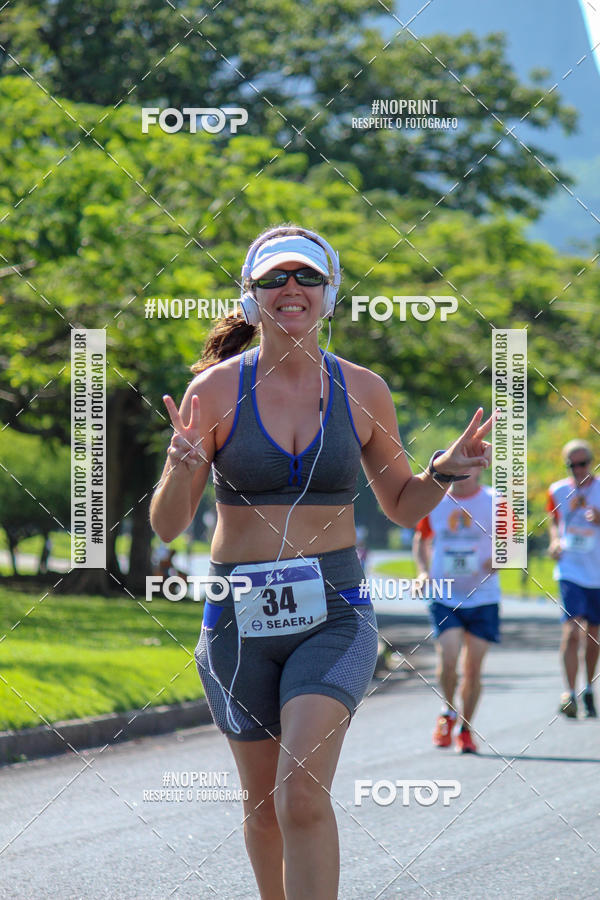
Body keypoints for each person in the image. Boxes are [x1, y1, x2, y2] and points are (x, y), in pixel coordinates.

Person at [150, 224, 493, 900]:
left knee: (301, 794)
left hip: (333, 612)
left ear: (329, 294)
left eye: (306, 277)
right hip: (236, 618)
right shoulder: (213, 392)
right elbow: (168, 523)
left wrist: (444, 472)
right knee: (262, 805)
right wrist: (176, 467)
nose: (291, 289)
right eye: (274, 279)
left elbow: (400, 503)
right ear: (250, 298)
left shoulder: (364, 390)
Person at [413, 470, 500, 754]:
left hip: (484, 596)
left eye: (467, 470)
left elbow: (513, 543)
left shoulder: (495, 501)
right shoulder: (435, 500)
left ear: (479, 469)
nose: (461, 476)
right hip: (445, 594)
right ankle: (448, 711)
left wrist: (498, 561)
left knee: (473, 669)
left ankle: (466, 728)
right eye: (455, 471)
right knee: (448, 658)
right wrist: (423, 572)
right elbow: (421, 538)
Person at [547, 438, 600, 718]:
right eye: (572, 465)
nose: (577, 469)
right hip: (570, 568)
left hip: (597, 571)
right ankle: (569, 693)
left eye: (582, 464)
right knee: (571, 628)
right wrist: (555, 541)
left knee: (592, 636)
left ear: (590, 463)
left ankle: (588, 689)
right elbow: (555, 522)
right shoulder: (557, 490)